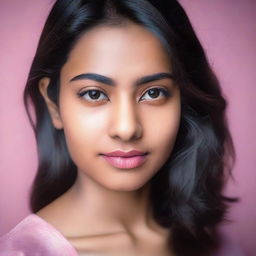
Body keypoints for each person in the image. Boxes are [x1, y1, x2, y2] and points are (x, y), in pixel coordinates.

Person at [0, 0, 244, 255]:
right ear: (53, 103)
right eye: (94, 94)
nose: (126, 129)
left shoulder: (215, 243)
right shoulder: (23, 251)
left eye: (153, 93)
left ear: (183, 99)